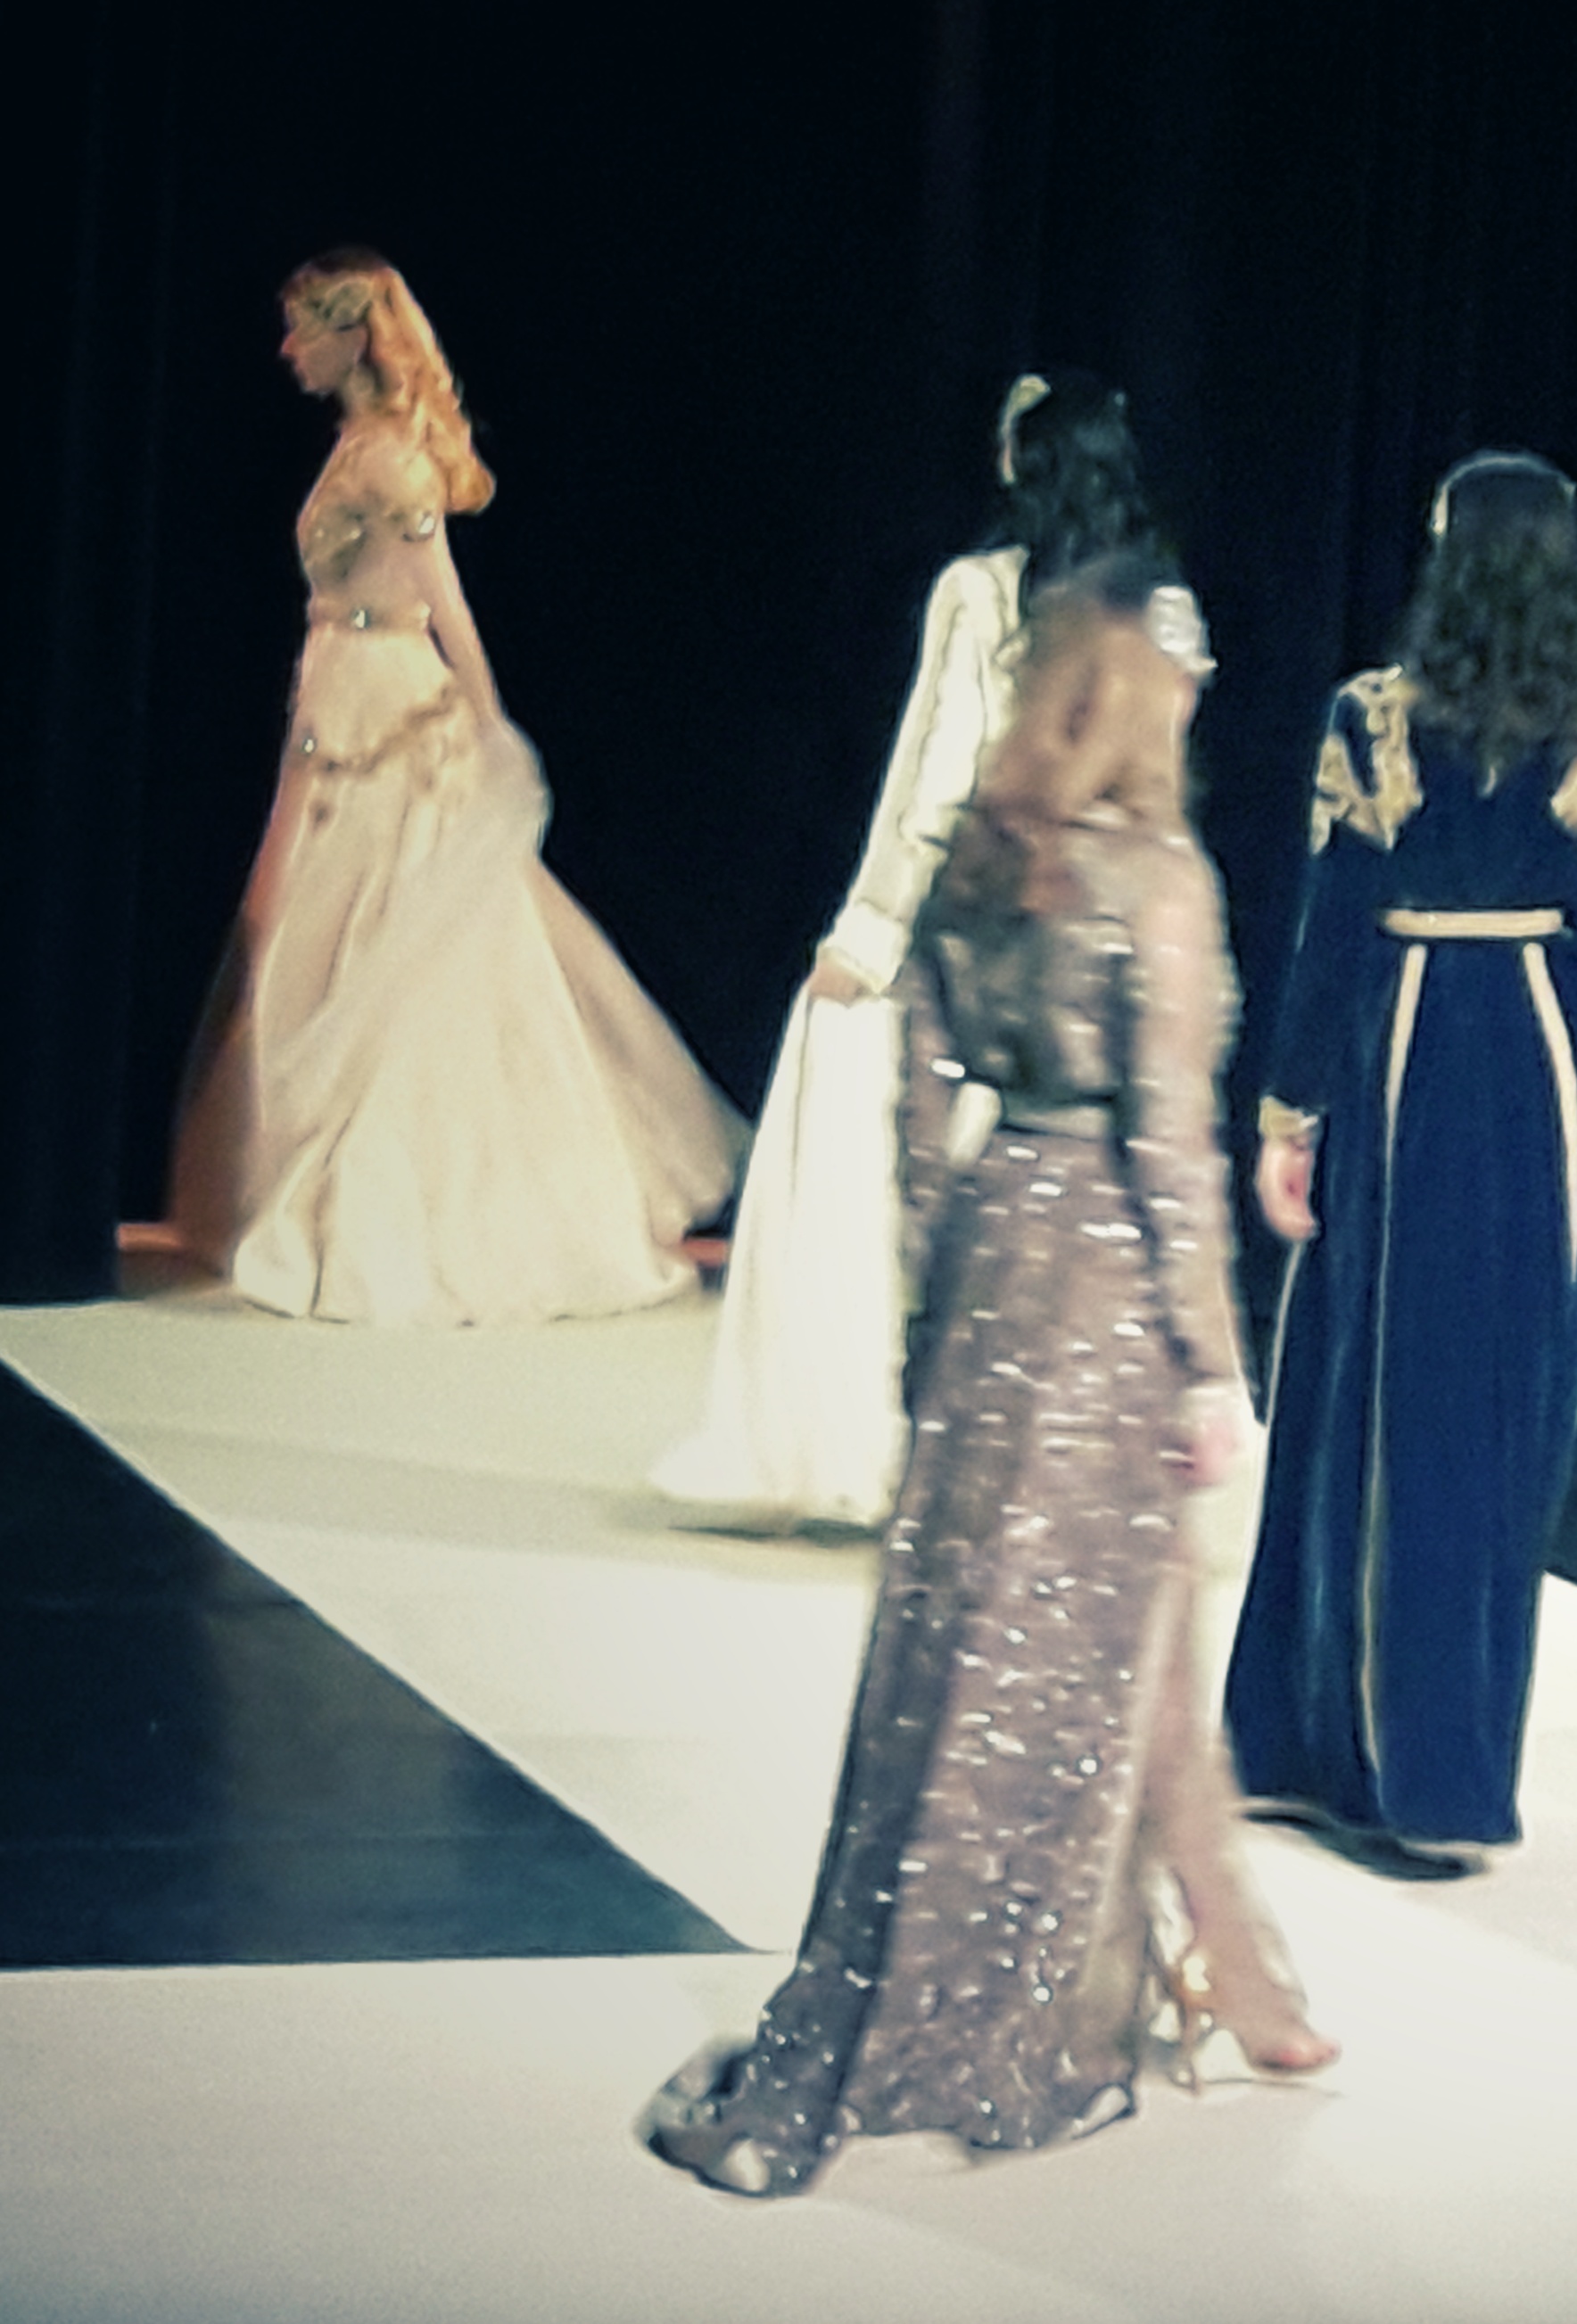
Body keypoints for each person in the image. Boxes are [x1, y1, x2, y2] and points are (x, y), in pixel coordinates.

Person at [646, 552, 1333, 2198]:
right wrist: (1209, 1363)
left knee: (972, 1640)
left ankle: (1234, 1978)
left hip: (991, 1253)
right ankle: (1025, 2014)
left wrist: (934, 1269)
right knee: (1079, 1663)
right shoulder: (1156, 879)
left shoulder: (979, 853)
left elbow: (913, 1087)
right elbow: (1169, 1145)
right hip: (1107, 1276)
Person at [1223, 450, 1577, 1873]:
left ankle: (1311, 1745)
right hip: (1537, 1066)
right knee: (1490, 1413)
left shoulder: (1371, 718)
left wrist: (1288, 1113)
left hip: (1403, 1057)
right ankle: (1442, 1770)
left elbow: (1331, 923)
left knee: (1366, 1391)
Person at [169, 250, 741, 1324]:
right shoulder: (355, 447)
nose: (288, 349)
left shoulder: (392, 462)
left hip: (394, 714)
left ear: (352, 335)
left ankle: (399, 1217)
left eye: (303, 327)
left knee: (405, 960)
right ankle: (315, 1200)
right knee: (331, 947)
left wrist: (491, 731)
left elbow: (444, 604)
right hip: (344, 696)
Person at [656, 372, 1163, 1527]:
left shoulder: (982, 592)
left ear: (1022, 463)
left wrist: (870, 931)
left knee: (893, 1183)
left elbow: (935, 772)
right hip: (1093, 948)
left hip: (970, 936)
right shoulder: (1149, 605)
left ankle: (889, 1447)